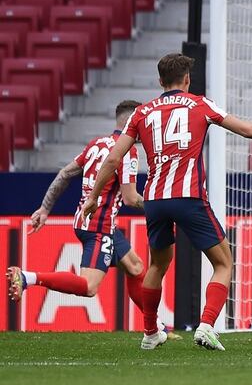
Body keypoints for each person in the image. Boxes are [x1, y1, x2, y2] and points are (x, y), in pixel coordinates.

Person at [82, 53, 252, 350]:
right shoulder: (200, 104)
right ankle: (206, 326)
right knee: (224, 263)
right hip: (189, 197)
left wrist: (94, 197)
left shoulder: (142, 113)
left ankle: (150, 332)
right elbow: (247, 130)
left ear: (160, 81)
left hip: (155, 200)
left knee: (157, 265)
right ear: (186, 80)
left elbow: (113, 158)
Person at [7, 101, 175, 337]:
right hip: (99, 227)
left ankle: (155, 326)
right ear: (132, 122)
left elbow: (65, 173)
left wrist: (45, 209)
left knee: (135, 267)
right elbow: (130, 198)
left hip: (89, 221)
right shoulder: (126, 150)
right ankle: (27, 277)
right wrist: (162, 209)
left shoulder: (97, 144)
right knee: (89, 287)